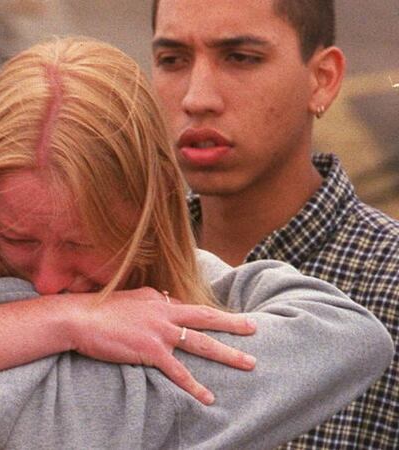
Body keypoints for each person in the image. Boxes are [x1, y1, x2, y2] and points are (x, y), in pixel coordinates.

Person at [0, 37, 393, 449]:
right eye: (18, 239)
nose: (53, 278)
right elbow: (348, 334)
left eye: (87, 242)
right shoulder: (138, 381)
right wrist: (70, 318)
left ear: (149, 216)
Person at [149, 1, 399, 447]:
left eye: (241, 58)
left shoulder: (388, 286)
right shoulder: (111, 266)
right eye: (172, 60)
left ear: (322, 79)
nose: (196, 98)